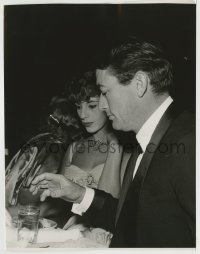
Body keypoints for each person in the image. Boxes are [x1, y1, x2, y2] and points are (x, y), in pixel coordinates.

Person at [30, 38, 195, 247]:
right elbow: (128, 217)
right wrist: (79, 193)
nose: (102, 103)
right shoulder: (148, 138)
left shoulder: (190, 141)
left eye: (105, 92)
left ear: (139, 84)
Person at [59, 71, 124, 232]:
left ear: (106, 102)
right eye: (78, 107)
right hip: (71, 233)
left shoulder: (126, 150)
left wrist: (115, 146)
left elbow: (109, 208)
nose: (82, 114)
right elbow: (59, 204)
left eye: (92, 106)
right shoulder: (74, 149)